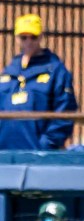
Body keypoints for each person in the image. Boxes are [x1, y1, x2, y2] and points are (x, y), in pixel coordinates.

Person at [0, 14, 78, 150]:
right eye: (23, 37)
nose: (28, 42)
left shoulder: (55, 70)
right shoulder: (9, 71)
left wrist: (47, 145)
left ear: (41, 37)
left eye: (33, 37)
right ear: (17, 39)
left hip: (37, 154)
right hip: (6, 151)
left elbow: (65, 110)